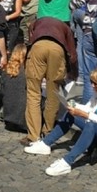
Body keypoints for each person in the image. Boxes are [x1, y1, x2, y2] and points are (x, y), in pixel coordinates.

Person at [26, 67, 97, 177]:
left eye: (95, 83)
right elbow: (89, 108)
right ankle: (45, 144)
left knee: (91, 126)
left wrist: (83, 114)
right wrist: (73, 105)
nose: (92, 86)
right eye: (91, 82)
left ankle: (67, 162)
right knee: (71, 114)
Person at [22, 16, 77, 145]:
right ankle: (48, 132)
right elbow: (72, 54)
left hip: (38, 47)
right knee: (53, 94)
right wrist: (73, 72)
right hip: (57, 50)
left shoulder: (36, 23)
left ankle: (33, 136)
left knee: (33, 93)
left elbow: (29, 41)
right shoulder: (65, 27)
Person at [1, 43, 28, 132]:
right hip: (23, 122)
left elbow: (2, 90)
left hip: (8, 118)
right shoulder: (26, 71)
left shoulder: (6, 70)